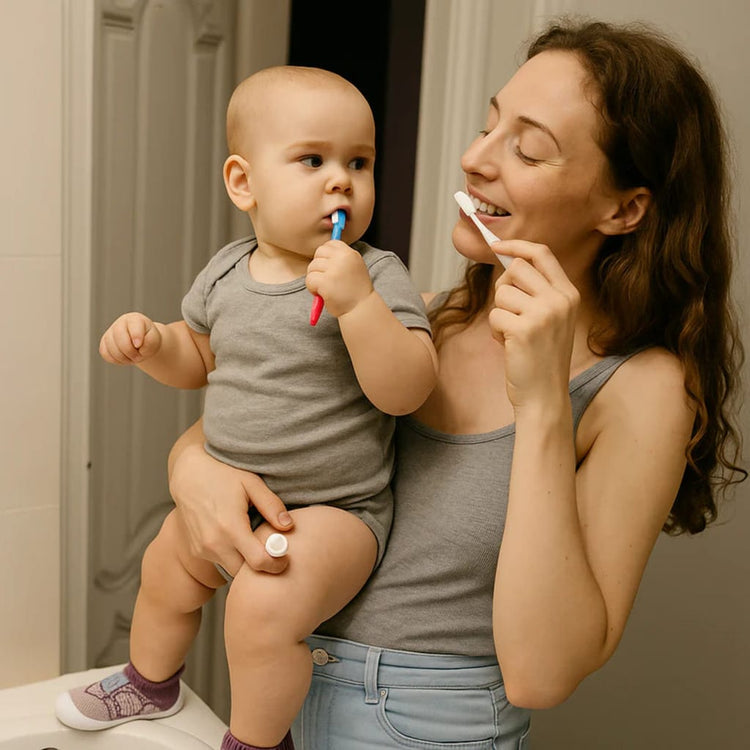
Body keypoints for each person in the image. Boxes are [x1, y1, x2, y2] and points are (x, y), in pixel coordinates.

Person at [165, 17, 746, 749]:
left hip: (427, 728)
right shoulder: (419, 318)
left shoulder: (645, 387)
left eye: (527, 148)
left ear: (623, 208)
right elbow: (238, 425)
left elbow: (540, 676)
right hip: (285, 705)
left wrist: (543, 403)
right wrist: (192, 472)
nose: (474, 159)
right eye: (488, 126)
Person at [54, 66, 438, 750]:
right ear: (243, 182)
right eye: (313, 160)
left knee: (262, 606)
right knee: (164, 566)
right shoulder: (227, 271)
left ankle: (257, 742)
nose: (342, 182)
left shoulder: (376, 275)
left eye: (359, 163)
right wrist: (154, 344)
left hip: (337, 512)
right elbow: (198, 360)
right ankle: (149, 682)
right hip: (230, 496)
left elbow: (407, 389)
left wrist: (358, 306)